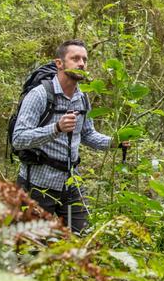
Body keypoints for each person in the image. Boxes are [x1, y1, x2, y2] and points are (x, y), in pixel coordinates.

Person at [12, 40, 128, 233]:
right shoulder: (40, 95)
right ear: (59, 63)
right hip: (37, 185)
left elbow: (87, 134)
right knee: (28, 247)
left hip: (71, 183)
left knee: (82, 240)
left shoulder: (81, 98)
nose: (81, 63)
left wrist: (114, 142)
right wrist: (56, 128)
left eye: (84, 59)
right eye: (75, 58)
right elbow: (19, 138)